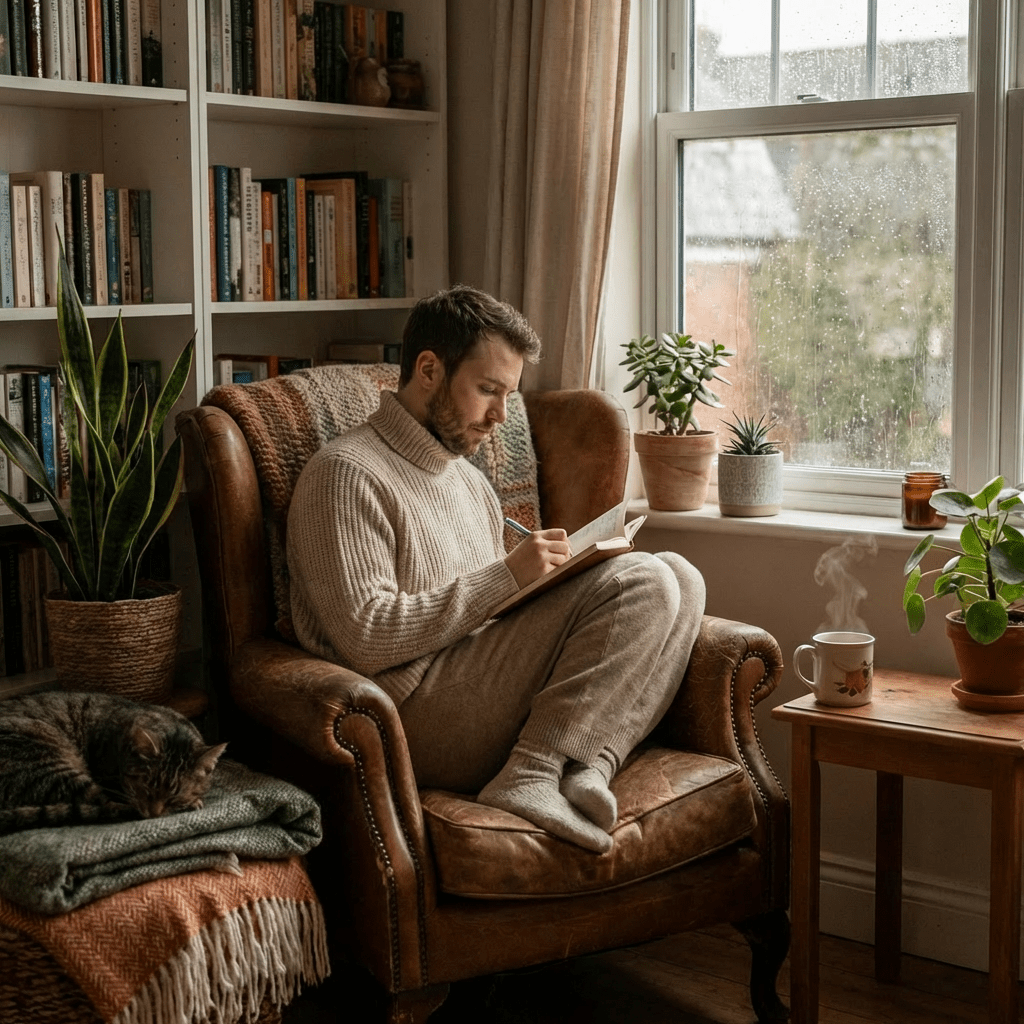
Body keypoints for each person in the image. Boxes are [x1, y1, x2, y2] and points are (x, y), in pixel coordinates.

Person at [286, 285, 706, 853]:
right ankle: (528, 774)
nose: (499, 417)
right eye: (488, 390)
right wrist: (507, 576)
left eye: (508, 395)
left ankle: (590, 765)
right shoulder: (344, 473)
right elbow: (366, 635)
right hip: (411, 710)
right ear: (429, 369)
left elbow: (493, 618)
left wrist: (543, 580)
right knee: (645, 581)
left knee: (681, 574)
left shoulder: (468, 480)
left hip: (477, 681)